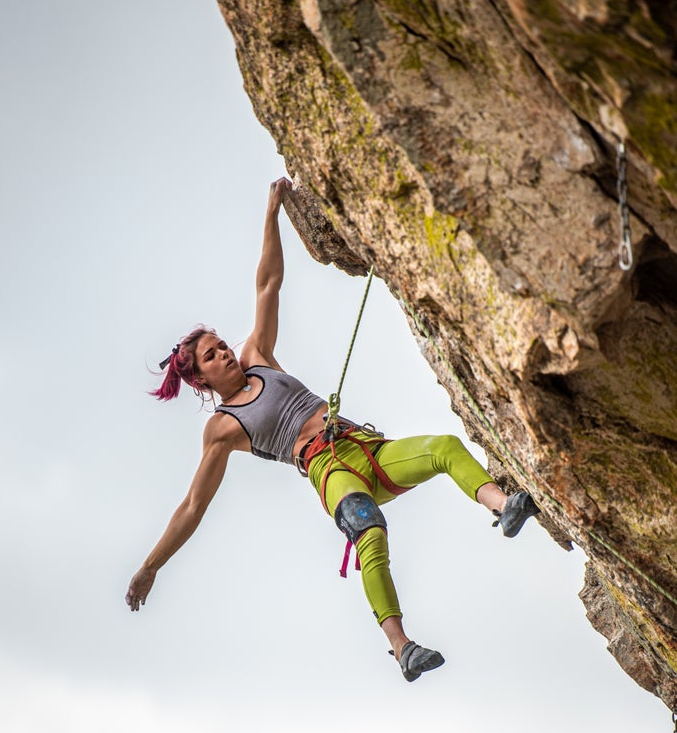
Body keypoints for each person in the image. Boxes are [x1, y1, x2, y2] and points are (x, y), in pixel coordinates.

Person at [125, 178, 538, 682]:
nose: (225, 352)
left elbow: (268, 283)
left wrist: (272, 212)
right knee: (368, 528)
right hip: (328, 469)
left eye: (221, 345)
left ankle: (503, 507)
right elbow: (193, 506)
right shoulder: (223, 428)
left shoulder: (259, 358)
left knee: (444, 446)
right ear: (201, 377)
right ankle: (402, 647)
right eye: (211, 355)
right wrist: (151, 566)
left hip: (364, 447)